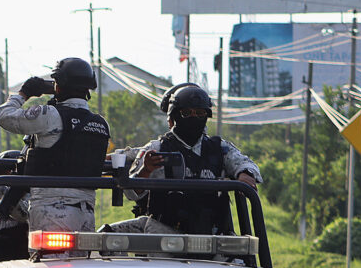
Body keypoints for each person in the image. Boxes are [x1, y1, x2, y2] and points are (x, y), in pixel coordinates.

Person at [107, 83, 263, 236]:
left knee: (240, 258)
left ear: (206, 116)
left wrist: (245, 174)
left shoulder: (220, 148)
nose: (193, 117)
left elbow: (246, 163)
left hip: (213, 236)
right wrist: (145, 170)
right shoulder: (156, 148)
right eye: (187, 113)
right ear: (174, 116)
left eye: (200, 113)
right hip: (164, 235)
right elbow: (131, 192)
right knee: (108, 235)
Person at [0, 58, 110, 248]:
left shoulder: (50, 115)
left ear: (58, 86)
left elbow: (4, 116)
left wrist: (23, 94)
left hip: (52, 210)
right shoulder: (100, 124)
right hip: (86, 213)